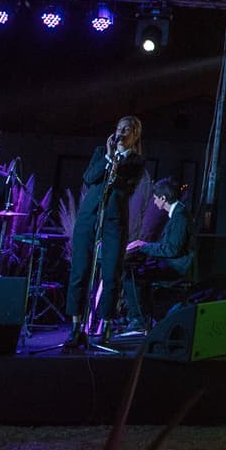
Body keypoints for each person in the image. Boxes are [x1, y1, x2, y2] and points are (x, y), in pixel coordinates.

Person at [63, 115, 145, 350]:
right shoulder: (101, 152)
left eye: (127, 130)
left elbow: (126, 188)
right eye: (119, 128)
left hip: (114, 220)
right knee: (80, 271)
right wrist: (109, 157)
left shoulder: (136, 162)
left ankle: (106, 326)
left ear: (135, 135)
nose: (121, 133)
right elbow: (89, 178)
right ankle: (76, 326)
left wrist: (117, 166)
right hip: (90, 217)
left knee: (111, 273)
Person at [123, 177, 194, 329]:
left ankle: (139, 320)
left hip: (177, 267)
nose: (154, 202)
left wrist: (144, 246)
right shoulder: (178, 214)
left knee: (132, 276)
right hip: (172, 263)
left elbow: (172, 249)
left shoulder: (180, 216)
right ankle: (140, 317)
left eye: (155, 199)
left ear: (163, 198)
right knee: (135, 271)